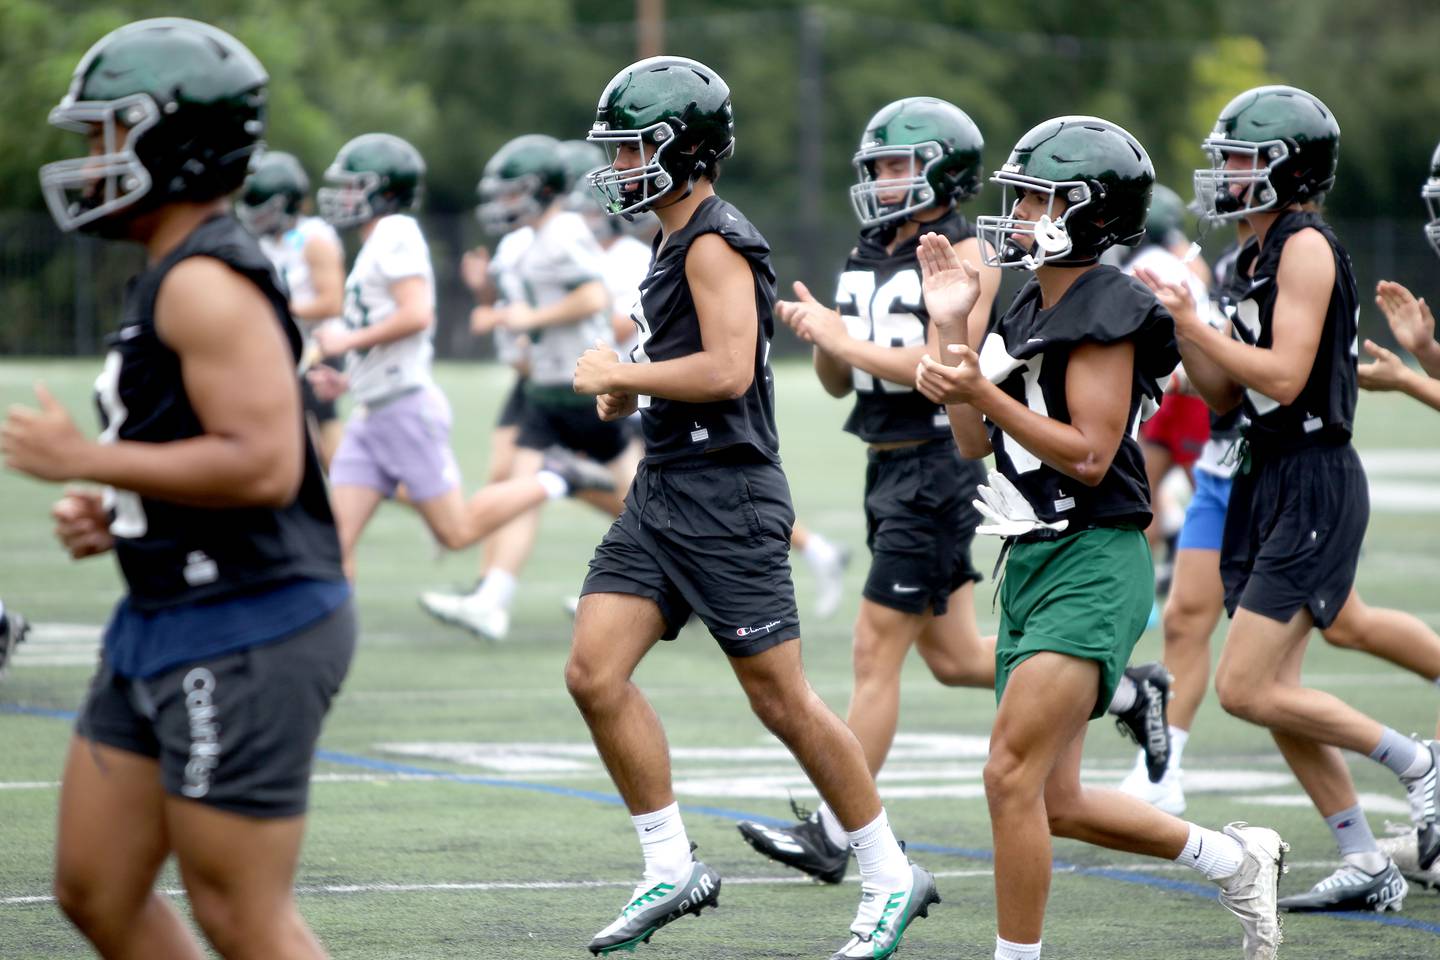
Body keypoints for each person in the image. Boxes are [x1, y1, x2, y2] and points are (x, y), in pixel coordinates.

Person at [567, 56, 937, 959]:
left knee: (782, 700)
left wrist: (623, 371)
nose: (618, 167)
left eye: (633, 149)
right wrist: (631, 392)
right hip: (667, 488)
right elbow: (685, 370)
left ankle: (890, 871)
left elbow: (730, 369)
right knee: (592, 672)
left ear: (686, 151)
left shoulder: (712, 239)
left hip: (729, 495)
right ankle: (667, 864)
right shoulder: (671, 237)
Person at [1, 19, 352, 958]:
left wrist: (89, 461)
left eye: (107, 134)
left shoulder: (203, 280)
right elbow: (201, 450)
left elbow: (266, 464)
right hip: (167, 607)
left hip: (252, 620)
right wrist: (125, 517)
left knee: (242, 913)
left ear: (175, 139)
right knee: (97, 889)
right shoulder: (169, 268)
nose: (91, 159)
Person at [916, 115, 1285, 960]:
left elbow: (1088, 452)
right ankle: (1234, 860)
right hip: (1031, 558)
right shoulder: (1019, 296)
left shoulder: (1110, 303)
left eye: (1038, 197)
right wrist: (949, 329)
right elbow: (974, 441)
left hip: (1093, 556)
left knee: (1007, 773)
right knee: (1057, 799)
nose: (1015, 213)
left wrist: (981, 383)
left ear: (1091, 211)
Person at [1140, 84, 1438, 914]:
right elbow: (1228, 396)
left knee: (1244, 687)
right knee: (1276, 690)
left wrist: (1199, 329)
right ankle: (1363, 858)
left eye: (1241, 159)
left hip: (1313, 473)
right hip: (1264, 472)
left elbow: (1286, 374)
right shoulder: (1248, 256)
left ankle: (1419, 765)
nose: (1224, 174)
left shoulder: (1304, 245)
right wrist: (1185, 335)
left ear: (1290, 169)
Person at [309, 133, 612, 582]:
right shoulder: (376, 241)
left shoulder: (395, 230)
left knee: (456, 531)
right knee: (330, 546)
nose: (343, 196)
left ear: (385, 190)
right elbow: (388, 326)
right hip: (373, 408)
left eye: (355, 185)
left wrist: (345, 344)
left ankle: (556, 477)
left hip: (403, 409)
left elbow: (416, 315)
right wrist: (351, 379)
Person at [419, 134, 631, 639]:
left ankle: (691, 573)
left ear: (544, 190)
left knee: (642, 499)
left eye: (514, 192)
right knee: (523, 490)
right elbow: (525, 310)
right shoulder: (521, 243)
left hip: (584, 386)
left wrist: (530, 316)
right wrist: (494, 309)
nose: (504, 203)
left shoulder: (566, 232)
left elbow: (593, 296)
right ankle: (494, 597)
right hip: (543, 388)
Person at [236, 150, 347, 467]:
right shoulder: (272, 242)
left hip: (319, 346)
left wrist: (281, 308)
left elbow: (332, 301)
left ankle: (349, 493)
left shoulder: (311, 238)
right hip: (288, 347)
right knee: (295, 437)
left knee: (324, 441)